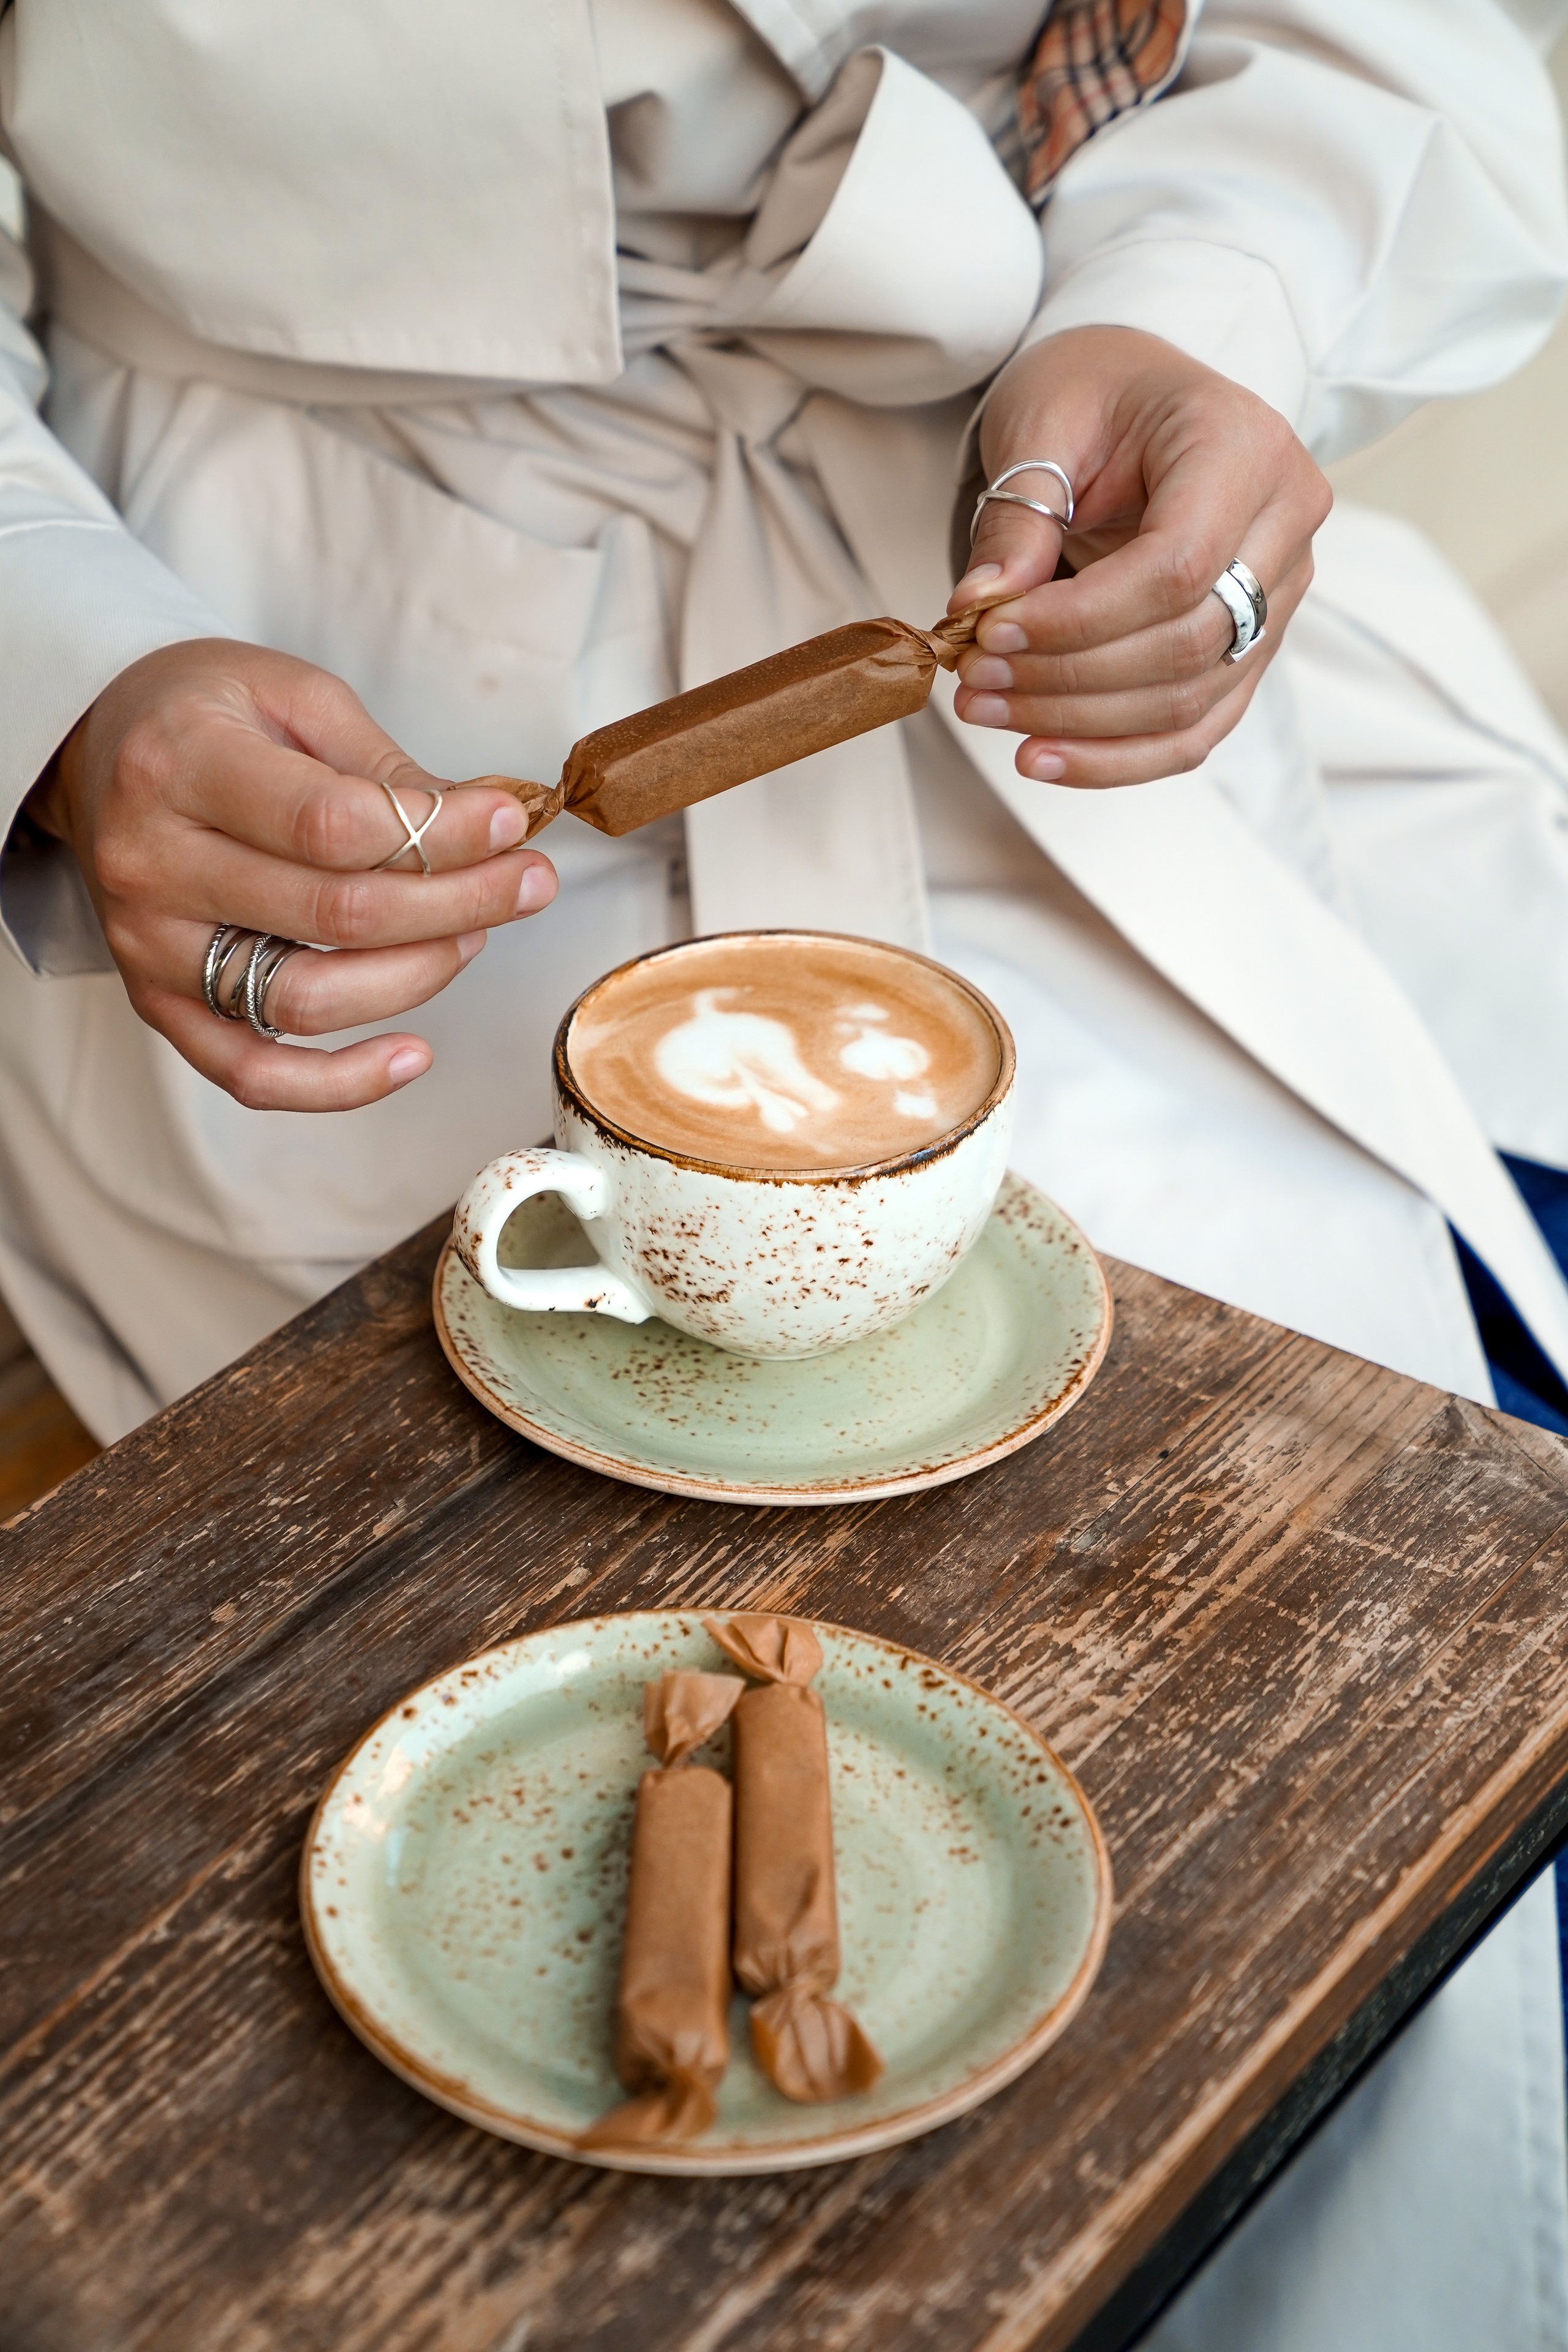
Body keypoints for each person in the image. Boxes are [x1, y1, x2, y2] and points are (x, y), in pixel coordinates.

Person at [2, 2, 1567, 2341]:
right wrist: (58, 673)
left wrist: (1210, 292)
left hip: (1038, 561)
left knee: (1350, 1775)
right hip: (299, 670)